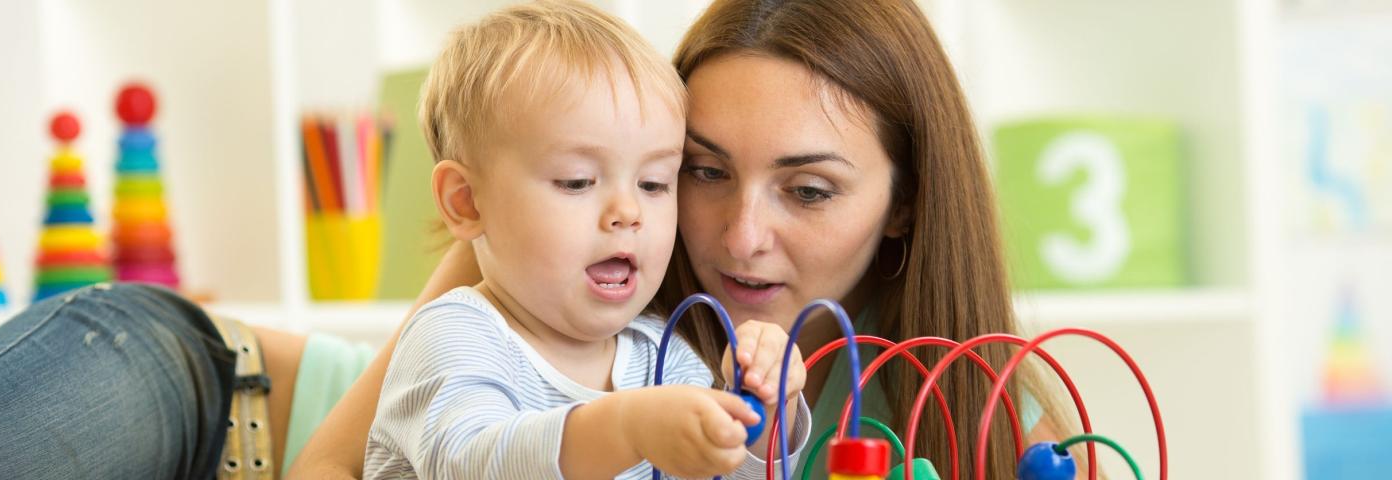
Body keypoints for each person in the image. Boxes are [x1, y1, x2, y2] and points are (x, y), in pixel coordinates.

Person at [296, 0, 1077, 478]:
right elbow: (338, 464)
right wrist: (635, 427)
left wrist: (764, 421)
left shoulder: (977, 403)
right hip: (272, 393)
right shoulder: (539, 241)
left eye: (807, 191)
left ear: (906, 201)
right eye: (704, 172)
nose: (741, 238)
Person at [361, 2, 809, 478]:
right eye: (577, 182)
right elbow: (471, 462)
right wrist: (625, 430)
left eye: (654, 183)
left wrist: (761, 410)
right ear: (467, 202)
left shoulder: (663, 354)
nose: (628, 213)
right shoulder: (454, 336)